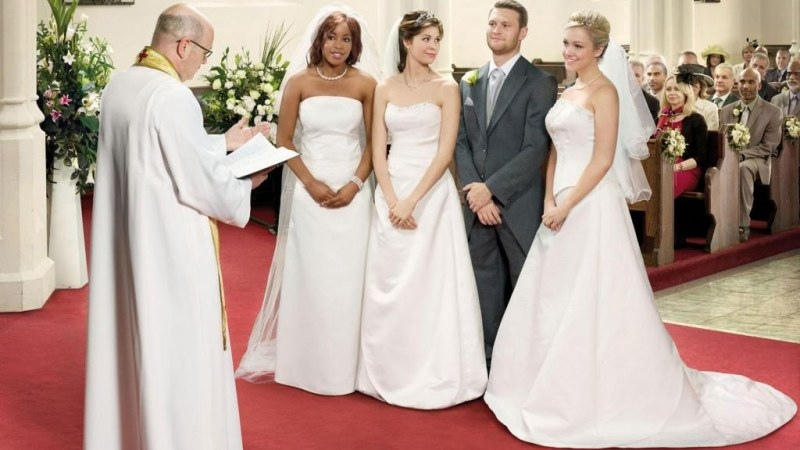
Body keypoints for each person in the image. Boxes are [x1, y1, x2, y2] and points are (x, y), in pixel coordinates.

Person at [484, 11, 796, 448]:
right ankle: (539, 380)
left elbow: (603, 159)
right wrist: (550, 198)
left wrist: (569, 203)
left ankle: (602, 389)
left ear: (599, 50)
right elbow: (554, 150)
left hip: (591, 204)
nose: (568, 52)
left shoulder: (606, 92)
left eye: (577, 46)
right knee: (552, 293)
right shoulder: (568, 90)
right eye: (566, 44)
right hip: (559, 203)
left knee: (594, 294)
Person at [84, 4, 272, 449]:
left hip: (132, 243)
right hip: (169, 252)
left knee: (137, 345)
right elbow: (201, 184)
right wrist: (247, 180)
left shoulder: (122, 83)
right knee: (178, 352)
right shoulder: (173, 96)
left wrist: (221, 143)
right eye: (204, 53)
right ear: (184, 44)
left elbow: (155, 150)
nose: (203, 63)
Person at [236, 6, 379, 394]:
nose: (338, 45)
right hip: (308, 190)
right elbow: (284, 141)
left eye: (346, 39)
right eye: (332, 37)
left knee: (348, 277)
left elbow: (374, 142)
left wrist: (355, 183)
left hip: (352, 191)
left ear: (355, 44)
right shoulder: (299, 82)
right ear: (319, 40)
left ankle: (348, 365)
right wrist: (311, 183)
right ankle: (307, 363)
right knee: (312, 276)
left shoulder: (366, 84)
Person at [356, 10, 487, 409]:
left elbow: (446, 151)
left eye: (436, 40)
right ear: (407, 42)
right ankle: (387, 367)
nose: (433, 47)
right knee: (390, 279)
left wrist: (412, 200)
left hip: (431, 194)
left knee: (431, 282)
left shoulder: (446, 87)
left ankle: (434, 367)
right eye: (426, 39)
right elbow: (378, 149)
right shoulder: (385, 87)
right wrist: (391, 198)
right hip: (391, 190)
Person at [455, 0, 557, 367]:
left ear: (523, 32)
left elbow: (536, 147)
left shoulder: (540, 82)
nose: (496, 30)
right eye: (492, 23)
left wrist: (492, 191)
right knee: (483, 288)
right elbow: (461, 142)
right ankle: (487, 364)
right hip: (477, 207)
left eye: (506, 25)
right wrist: (476, 192)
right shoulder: (469, 80)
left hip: (517, 205)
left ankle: (525, 365)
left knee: (524, 289)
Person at [721, 68, 784, 242]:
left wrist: (741, 155)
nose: (746, 86)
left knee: (743, 168)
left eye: (751, 82)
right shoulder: (727, 110)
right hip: (730, 158)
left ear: (759, 85)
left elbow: (769, 146)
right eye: (742, 82)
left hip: (758, 159)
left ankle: (742, 225)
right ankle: (718, 222)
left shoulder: (773, 111)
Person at [657, 73, 708, 198]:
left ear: (686, 93)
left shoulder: (696, 119)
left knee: (665, 183)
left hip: (686, 169)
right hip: (661, 166)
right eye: (668, 89)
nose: (672, 93)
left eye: (677, 89)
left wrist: (676, 167)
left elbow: (700, 157)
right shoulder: (661, 118)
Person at [677, 63, 719, 130]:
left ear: (701, 87)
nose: (690, 87)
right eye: (686, 83)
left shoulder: (710, 108)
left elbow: (710, 134)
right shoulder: (674, 105)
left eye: (694, 83)